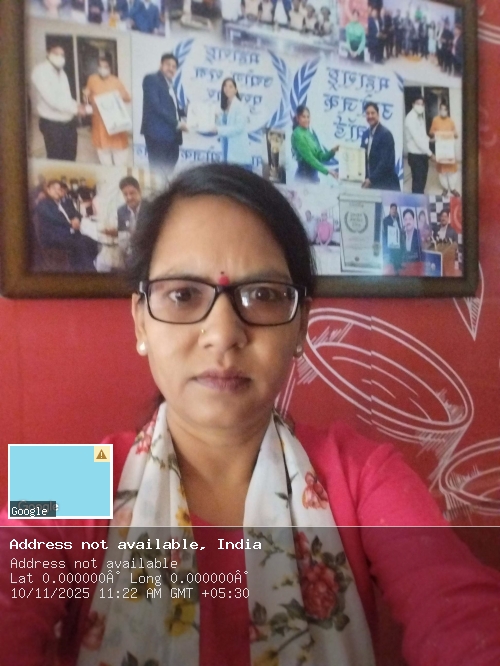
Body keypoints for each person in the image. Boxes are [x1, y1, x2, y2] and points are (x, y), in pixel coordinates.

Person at [3, 164, 500, 666]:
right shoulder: (62, 477)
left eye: (262, 295)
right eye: (183, 295)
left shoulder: (363, 476)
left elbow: (460, 615)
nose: (223, 334)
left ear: (301, 325)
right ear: (140, 321)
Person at [31, 44, 86, 161]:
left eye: (62, 55)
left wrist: (77, 105)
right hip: (53, 125)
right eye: (56, 54)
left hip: (68, 123)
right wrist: (75, 109)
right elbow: (52, 100)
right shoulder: (40, 71)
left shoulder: (62, 73)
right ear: (48, 53)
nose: (60, 57)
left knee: (71, 156)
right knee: (56, 158)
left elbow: (66, 97)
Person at [34, 179, 98, 271]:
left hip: (68, 234)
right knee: (81, 243)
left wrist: (76, 219)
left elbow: (77, 213)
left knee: (92, 241)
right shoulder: (43, 204)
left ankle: (80, 267)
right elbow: (55, 218)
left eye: (59, 189)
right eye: (54, 188)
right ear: (48, 190)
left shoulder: (63, 203)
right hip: (54, 237)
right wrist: (71, 224)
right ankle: (88, 271)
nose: (57, 191)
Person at [141, 53, 188, 175]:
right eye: (168, 65)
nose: (171, 68)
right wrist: (178, 123)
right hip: (158, 135)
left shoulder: (171, 85)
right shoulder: (151, 79)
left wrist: (191, 113)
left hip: (173, 137)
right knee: (158, 173)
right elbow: (156, 106)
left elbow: (175, 109)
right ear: (161, 65)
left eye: (174, 66)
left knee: (168, 171)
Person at [82, 56, 132, 167]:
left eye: (105, 67)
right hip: (99, 123)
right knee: (104, 157)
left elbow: (128, 98)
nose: (103, 69)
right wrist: (86, 97)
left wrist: (121, 96)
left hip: (115, 124)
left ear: (110, 68)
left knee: (120, 158)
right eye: (100, 66)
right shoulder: (92, 79)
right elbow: (87, 98)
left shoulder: (116, 81)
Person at [291, 105, 339, 183]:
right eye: (303, 117)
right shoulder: (297, 134)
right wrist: (327, 171)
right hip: (304, 177)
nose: (306, 120)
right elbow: (309, 158)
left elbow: (320, 156)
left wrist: (332, 151)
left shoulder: (309, 133)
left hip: (313, 177)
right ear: (298, 118)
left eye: (308, 117)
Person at [360, 102, 400, 191]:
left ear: (378, 115)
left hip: (386, 185)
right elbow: (362, 158)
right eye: (367, 113)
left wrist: (371, 179)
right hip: (372, 185)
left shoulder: (386, 134)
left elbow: (385, 162)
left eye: (372, 113)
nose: (370, 116)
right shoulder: (365, 134)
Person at [214, 78, 253, 169]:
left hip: (238, 149)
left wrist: (218, 129)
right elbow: (223, 125)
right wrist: (215, 119)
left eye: (230, 86)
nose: (227, 89)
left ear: (235, 90)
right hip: (226, 146)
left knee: (239, 175)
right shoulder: (223, 106)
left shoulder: (240, 106)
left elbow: (238, 128)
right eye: (225, 86)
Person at [429, 101, 460, 197]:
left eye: (445, 109)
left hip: (449, 150)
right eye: (441, 109)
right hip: (440, 150)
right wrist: (436, 135)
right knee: (442, 171)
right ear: (439, 110)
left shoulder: (451, 121)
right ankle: (445, 188)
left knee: (452, 170)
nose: (443, 111)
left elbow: (456, 135)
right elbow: (431, 133)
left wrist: (455, 134)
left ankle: (453, 188)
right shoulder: (435, 120)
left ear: (447, 110)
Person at [405, 96, 433, 194]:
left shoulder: (419, 116)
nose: (420, 106)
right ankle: (417, 201)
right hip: (416, 156)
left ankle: (420, 198)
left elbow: (422, 135)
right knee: (418, 183)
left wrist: (430, 140)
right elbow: (418, 140)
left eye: (422, 104)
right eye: (418, 104)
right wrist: (430, 154)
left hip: (422, 155)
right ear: (413, 104)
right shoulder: (410, 118)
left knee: (422, 180)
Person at [376, 202, 404, 271]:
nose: (394, 210)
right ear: (390, 210)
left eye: (395, 209)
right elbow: (386, 231)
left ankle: (399, 265)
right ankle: (396, 268)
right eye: (393, 209)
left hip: (398, 238)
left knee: (399, 252)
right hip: (391, 239)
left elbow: (398, 227)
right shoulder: (386, 219)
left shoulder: (397, 218)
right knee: (394, 253)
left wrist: (401, 230)